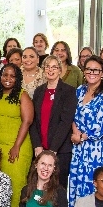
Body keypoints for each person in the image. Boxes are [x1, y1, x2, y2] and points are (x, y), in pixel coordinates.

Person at [68, 55, 103, 207]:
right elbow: (71, 114)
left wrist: (82, 137)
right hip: (78, 146)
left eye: (96, 70)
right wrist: (75, 132)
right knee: (77, 182)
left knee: (93, 184)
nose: (91, 73)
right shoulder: (79, 91)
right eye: (88, 69)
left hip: (96, 149)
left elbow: (101, 125)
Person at [0, 63, 33, 207]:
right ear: (0, 77)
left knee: (16, 181)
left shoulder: (22, 95)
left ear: (17, 79)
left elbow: (27, 121)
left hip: (17, 145)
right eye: (5, 75)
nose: (8, 78)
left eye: (12, 76)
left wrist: (16, 146)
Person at [30, 55, 78, 188]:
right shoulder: (39, 91)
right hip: (40, 149)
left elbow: (65, 122)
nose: (50, 70)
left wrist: (52, 150)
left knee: (58, 188)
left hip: (60, 150)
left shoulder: (69, 91)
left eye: (54, 67)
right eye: (47, 67)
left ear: (60, 70)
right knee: (39, 186)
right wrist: (37, 145)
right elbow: (33, 120)